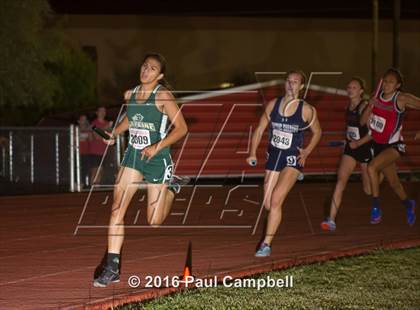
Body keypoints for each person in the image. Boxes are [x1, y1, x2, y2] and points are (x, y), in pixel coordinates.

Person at [93, 53, 189, 287]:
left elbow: (181, 129)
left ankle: (172, 188)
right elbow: (131, 119)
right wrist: (114, 133)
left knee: (154, 220)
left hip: (157, 159)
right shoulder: (132, 94)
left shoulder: (163, 96)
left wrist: (157, 146)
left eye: (153, 69)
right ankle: (112, 268)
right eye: (145, 66)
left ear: (160, 75)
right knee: (116, 208)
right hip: (134, 156)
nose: (146, 71)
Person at [246, 70, 322, 257]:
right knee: (268, 205)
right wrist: (252, 152)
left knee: (276, 200)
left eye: (295, 82)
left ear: (301, 86)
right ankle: (294, 176)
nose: (290, 84)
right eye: (288, 81)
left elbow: (318, 132)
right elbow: (260, 129)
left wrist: (306, 151)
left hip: (292, 159)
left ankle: (266, 244)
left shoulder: (305, 109)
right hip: (274, 157)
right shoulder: (273, 105)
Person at [365, 68, 419, 226]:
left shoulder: (401, 98)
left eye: (391, 82)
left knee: (371, 168)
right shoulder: (376, 97)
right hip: (378, 146)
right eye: (385, 81)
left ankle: (376, 207)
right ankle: (409, 205)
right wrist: (369, 107)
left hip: (395, 145)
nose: (387, 84)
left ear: (398, 85)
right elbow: (367, 120)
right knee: (394, 183)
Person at [321, 77, 373, 231]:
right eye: (349, 87)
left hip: (364, 147)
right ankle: (331, 220)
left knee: (368, 190)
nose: (350, 90)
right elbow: (351, 128)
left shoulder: (365, 107)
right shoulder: (348, 107)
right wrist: (347, 140)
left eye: (354, 87)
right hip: (350, 149)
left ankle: (378, 174)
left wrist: (357, 142)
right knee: (340, 182)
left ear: (361, 91)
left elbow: (373, 133)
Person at [89, 106, 113, 185]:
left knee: (101, 169)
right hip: (95, 150)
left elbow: (110, 136)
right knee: (95, 169)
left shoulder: (107, 123)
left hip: (105, 151)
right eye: (101, 111)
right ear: (97, 113)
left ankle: (97, 187)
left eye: (104, 111)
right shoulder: (94, 123)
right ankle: (92, 187)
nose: (103, 113)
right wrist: (105, 128)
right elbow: (96, 136)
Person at [77, 114, 92, 187]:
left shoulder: (88, 129)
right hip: (78, 153)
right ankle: (78, 183)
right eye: (82, 119)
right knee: (78, 168)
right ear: (79, 121)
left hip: (86, 152)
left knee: (86, 168)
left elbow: (91, 139)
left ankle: (86, 183)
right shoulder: (76, 129)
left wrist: (89, 131)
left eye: (85, 120)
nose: (84, 121)